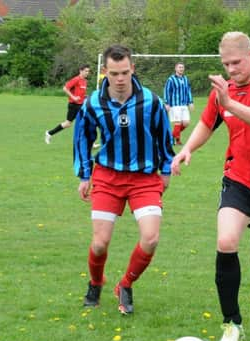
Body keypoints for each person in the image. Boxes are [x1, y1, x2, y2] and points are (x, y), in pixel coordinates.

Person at [171, 32, 250, 341]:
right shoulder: (222, 93)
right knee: (226, 240)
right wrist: (188, 149)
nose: (231, 69)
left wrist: (230, 103)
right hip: (238, 179)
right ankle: (231, 324)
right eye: (226, 64)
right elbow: (206, 122)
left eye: (237, 62)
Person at [74, 45, 175, 315]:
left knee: (151, 238)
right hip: (107, 177)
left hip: (144, 177)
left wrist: (166, 170)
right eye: (114, 73)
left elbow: (164, 136)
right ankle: (96, 282)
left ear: (133, 69)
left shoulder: (151, 102)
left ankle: (126, 284)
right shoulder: (93, 103)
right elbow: (82, 138)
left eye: (125, 72)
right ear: (105, 72)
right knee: (99, 243)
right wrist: (85, 175)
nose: (120, 79)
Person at [45, 64, 91, 144]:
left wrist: (85, 96)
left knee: (83, 122)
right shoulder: (76, 79)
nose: (87, 73)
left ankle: (49, 133)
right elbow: (65, 88)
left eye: (88, 71)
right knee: (70, 123)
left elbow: (80, 94)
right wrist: (73, 97)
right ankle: (49, 133)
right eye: (86, 71)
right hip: (74, 105)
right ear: (81, 71)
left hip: (80, 105)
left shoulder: (84, 81)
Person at [164, 62, 194, 145]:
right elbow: (167, 91)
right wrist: (167, 103)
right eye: (179, 67)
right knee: (177, 123)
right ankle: (177, 141)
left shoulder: (185, 79)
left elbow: (188, 91)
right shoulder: (171, 79)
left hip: (184, 104)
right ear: (176, 69)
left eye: (182, 67)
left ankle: (171, 136)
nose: (181, 69)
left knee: (186, 123)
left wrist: (190, 102)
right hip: (175, 105)